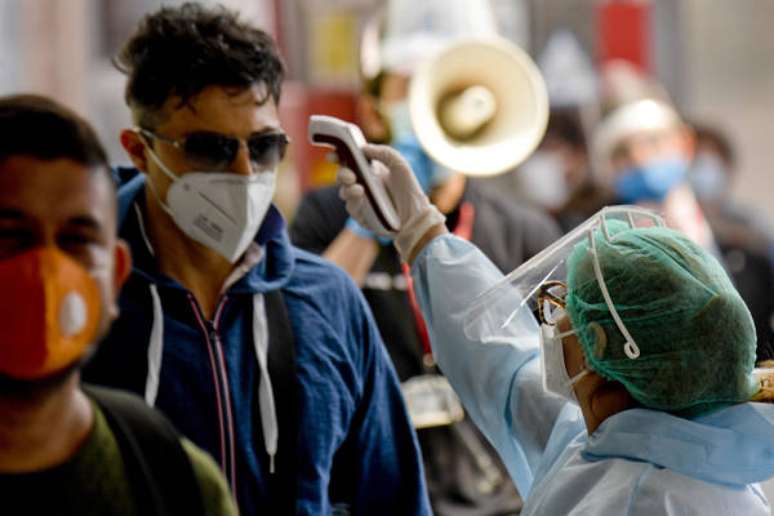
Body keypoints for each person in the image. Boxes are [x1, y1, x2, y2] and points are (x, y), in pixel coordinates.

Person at [81, 4, 429, 515]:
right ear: (139, 150)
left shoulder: (327, 302)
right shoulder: (88, 301)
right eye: (210, 149)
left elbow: (394, 498)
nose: (244, 173)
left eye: (264, 146)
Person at [336, 143, 774, 515]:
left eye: (567, 311)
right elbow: (505, 366)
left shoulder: (637, 499)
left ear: (600, 344)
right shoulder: (650, 435)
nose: (554, 323)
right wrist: (422, 234)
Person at [291, 2, 559, 513]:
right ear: (372, 110)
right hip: (374, 494)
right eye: (407, 86)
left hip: (507, 500)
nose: (420, 103)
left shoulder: (524, 229)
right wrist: (367, 227)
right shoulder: (326, 216)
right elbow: (304, 329)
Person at [0, 94, 238, 515]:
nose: (46, 272)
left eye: (77, 241)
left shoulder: (175, 482)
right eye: (11, 238)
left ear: (114, 277)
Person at [688, 123, 774, 361]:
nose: (704, 171)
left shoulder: (752, 224)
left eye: (712, 162)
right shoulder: (672, 220)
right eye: (696, 160)